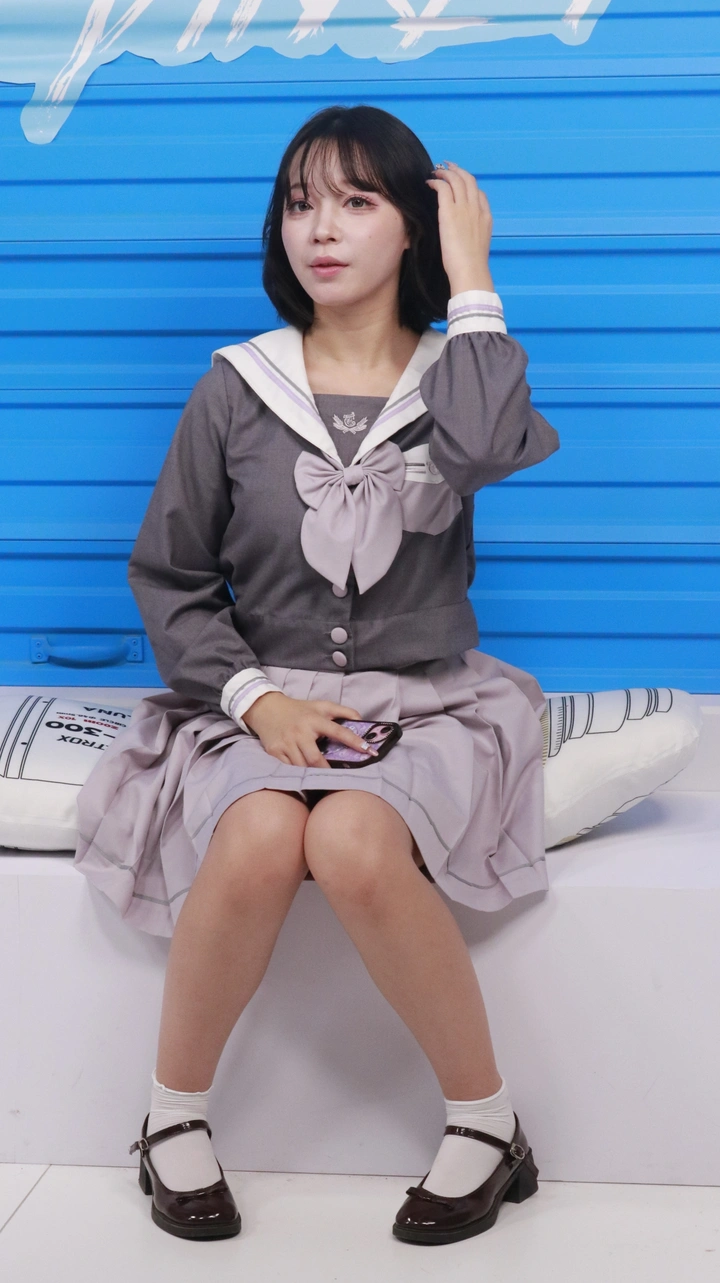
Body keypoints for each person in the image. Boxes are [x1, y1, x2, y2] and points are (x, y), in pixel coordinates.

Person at [74, 103, 559, 1247]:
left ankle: (487, 1122)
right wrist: (259, 700)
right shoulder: (237, 386)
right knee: (256, 834)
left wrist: (474, 281)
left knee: (349, 838)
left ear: (415, 227)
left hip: (425, 698)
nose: (321, 229)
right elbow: (168, 573)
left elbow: (488, 449)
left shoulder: (457, 376)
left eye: (356, 200)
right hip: (257, 693)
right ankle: (170, 1114)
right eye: (299, 203)